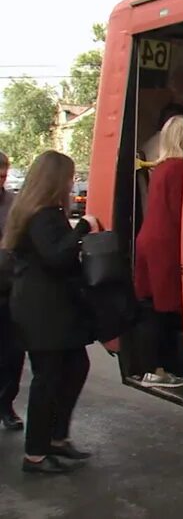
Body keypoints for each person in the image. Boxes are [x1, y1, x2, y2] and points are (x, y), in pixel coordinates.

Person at [4, 151, 99, 474]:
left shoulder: (35, 210)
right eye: (70, 176)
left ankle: (57, 439)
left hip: (49, 308)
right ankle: (35, 454)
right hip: (42, 311)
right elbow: (56, 256)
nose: (73, 182)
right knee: (49, 379)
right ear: (56, 179)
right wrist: (83, 227)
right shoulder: (42, 214)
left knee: (74, 367)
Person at [133, 115, 183, 389]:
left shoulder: (162, 167)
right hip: (165, 246)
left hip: (150, 241)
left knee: (154, 308)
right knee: (166, 309)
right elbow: (182, 214)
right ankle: (160, 369)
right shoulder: (179, 169)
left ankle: (153, 368)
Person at [0, 152, 24, 431]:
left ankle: (6, 404)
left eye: (4, 172)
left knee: (13, 352)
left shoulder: (13, 203)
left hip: (10, 286)